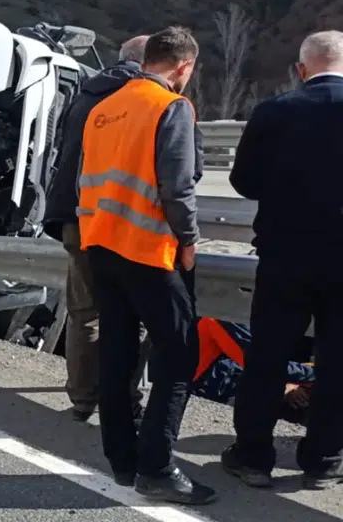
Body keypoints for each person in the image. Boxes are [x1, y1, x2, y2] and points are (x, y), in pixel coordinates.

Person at [77, 26, 214, 504]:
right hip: (148, 250)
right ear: (184, 67)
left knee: (117, 353)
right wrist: (190, 241)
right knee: (179, 355)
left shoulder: (104, 107)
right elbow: (177, 187)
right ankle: (156, 466)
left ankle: (122, 459)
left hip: (101, 246)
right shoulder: (171, 106)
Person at [222, 30, 343, 491]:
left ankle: (253, 455)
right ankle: (325, 458)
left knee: (268, 355)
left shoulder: (275, 112)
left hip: (286, 254)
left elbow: (245, 182)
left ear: (302, 69)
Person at [44, 35, 149, 422]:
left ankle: (83, 398)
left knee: (84, 311)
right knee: (130, 313)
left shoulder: (85, 92)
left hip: (74, 214)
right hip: (120, 218)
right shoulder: (141, 99)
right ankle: (124, 401)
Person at [191, 317, 315, 423]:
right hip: (213, 384)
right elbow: (257, 359)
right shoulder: (219, 313)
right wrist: (310, 374)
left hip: (229, 378)